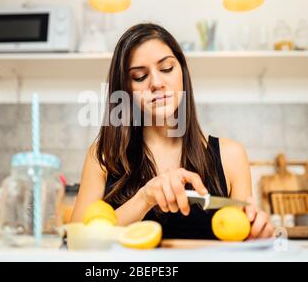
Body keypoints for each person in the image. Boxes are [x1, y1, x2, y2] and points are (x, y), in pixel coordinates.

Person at [71, 23, 274, 239]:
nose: (157, 83)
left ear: (182, 73)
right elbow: (76, 241)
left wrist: (256, 235)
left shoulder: (231, 156)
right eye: (139, 76)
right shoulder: (103, 156)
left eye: (167, 68)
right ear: (125, 90)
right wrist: (144, 198)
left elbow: (241, 244)